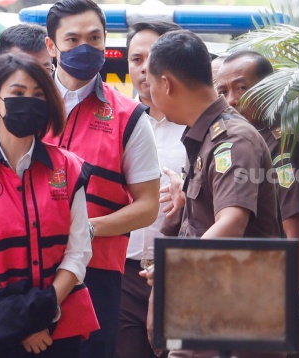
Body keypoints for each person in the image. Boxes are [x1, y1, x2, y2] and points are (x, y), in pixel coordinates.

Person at [0, 52, 99, 357]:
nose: (30, 101)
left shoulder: (70, 168)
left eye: (39, 94)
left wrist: (44, 311)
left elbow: (78, 251)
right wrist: (18, 321)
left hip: (59, 324)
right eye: (18, 93)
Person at [145, 30, 282, 358]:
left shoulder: (232, 141)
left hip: (233, 327)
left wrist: (174, 270)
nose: (149, 94)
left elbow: (232, 222)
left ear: (166, 84)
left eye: (150, 85)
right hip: (204, 318)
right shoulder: (207, 137)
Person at [43, 0, 161, 357]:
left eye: (95, 38)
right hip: (26, 268)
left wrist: (86, 228)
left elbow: (147, 206)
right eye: (73, 39)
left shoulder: (128, 116)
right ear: (51, 46)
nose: (85, 48)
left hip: (97, 275)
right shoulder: (25, 104)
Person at [215, 50, 299, 358]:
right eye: (223, 91)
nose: (231, 100)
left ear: (270, 92)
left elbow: (297, 240)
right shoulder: (241, 145)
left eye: (241, 88)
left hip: (272, 307)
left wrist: (273, 312)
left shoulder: (283, 150)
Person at [116, 21, 185, 358]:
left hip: (182, 274)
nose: (144, 69)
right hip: (124, 273)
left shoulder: (197, 129)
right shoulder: (114, 122)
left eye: (152, 58)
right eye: (135, 59)